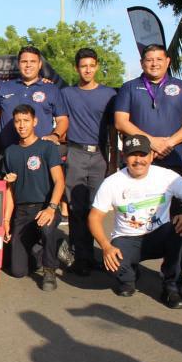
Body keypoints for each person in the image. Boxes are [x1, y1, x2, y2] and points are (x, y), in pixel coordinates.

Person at [89, 134, 182, 309]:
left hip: (159, 235)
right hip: (127, 238)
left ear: (152, 156)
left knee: (181, 229)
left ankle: (172, 287)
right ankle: (129, 276)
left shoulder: (167, 177)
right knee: (114, 265)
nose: (138, 160)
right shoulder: (112, 182)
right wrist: (106, 247)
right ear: (124, 156)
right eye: (132, 155)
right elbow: (94, 217)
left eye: (143, 154)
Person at [60, 48, 117, 275]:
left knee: (97, 208)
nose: (87, 69)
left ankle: (96, 253)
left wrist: (113, 161)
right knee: (76, 207)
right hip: (75, 152)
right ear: (77, 68)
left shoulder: (109, 94)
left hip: (100, 155)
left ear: (96, 66)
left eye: (91, 65)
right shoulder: (67, 93)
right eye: (83, 66)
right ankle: (81, 257)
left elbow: (113, 128)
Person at [1, 104, 66, 290]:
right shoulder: (10, 152)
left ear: (34, 122)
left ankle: (49, 270)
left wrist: (51, 208)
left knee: (46, 229)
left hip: (45, 207)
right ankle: (48, 248)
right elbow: (10, 191)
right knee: (18, 271)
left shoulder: (47, 147)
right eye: (18, 121)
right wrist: (6, 220)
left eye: (26, 121)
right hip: (22, 212)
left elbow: (59, 181)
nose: (22, 125)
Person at [114, 44, 182, 172]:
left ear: (167, 61)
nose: (154, 64)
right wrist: (151, 142)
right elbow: (120, 122)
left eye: (159, 59)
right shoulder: (128, 87)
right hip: (138, 160)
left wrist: (168, 144)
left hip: (173, 159)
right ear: (142, 63)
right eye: (149, 60)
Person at [0, 46, 68, 161]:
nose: (28, 65)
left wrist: (55, 136)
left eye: (33, 61)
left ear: (39, 65)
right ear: (18, 64)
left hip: (41, 156)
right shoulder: (4, 87)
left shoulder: (51, 89)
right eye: (24, 61)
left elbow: (63, 120)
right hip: (7, 155)